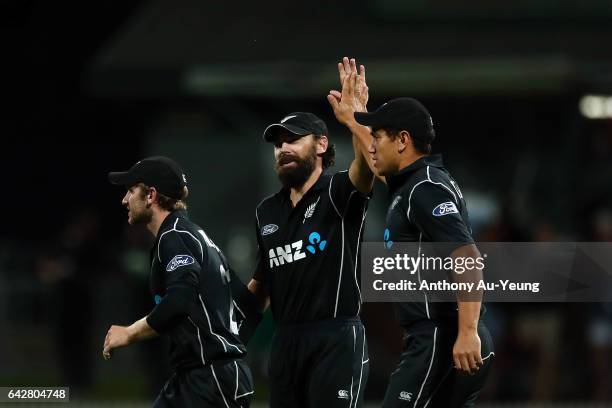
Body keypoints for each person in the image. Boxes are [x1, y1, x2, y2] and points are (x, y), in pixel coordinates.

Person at [242, 58, 374, 408]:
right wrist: (229, 337)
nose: (283, 148)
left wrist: (356, 119)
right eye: (278, 143)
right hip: (286, 343)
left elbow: (368, 168)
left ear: (320, 146)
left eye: (293, 140)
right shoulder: (266, 211)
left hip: (335, 337)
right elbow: (263, 282)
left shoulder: (338, 192)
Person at [350, 97, 494, 407]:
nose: (371, 146)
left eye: (377, 137)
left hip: (441, 339)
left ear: (402, 140)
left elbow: (466, 256)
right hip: (444, 337)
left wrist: (467, 332)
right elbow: (376, 166)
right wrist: (352, 119)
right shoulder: (414, 184)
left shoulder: (423, 189)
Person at [104, 156, 254, 408]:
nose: (125, 200)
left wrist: (129, 333)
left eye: (131, 191)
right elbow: (243, 306)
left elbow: (179, 301)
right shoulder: (191, 234)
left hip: (210, 380)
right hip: (198, 376)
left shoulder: (174, 237)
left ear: (150, 195)